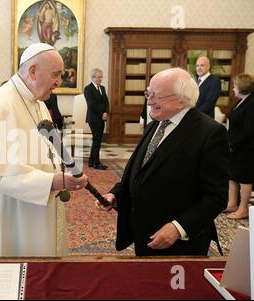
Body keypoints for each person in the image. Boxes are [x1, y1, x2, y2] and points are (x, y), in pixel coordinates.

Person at [0, 43, 87, 257]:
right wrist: (52, 182)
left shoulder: (38, 102)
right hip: (8, 212)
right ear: (32, 71)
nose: (60, 82)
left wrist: (59, 175)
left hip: (36, 206)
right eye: (55, 74)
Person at [97, 67, 229, 256]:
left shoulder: (210, 133)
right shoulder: (155, 124)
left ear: (182, 99)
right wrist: (116, 195)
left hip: (179, 245)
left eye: (156, 96)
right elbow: (143, 171)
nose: (149, 101)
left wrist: (178, 228)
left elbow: (216, 197)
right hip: (145, 234)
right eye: (148, 93)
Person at [225, 73, 254, 219]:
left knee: (244, 178)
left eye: (235, 86)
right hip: (235, 146)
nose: (233, 89)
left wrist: (233, 143)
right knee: (232, 175)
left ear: (242, 88)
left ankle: (243, 209)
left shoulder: (251, 103)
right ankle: (232, 204)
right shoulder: (240, 101)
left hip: (247, 148)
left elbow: (249, 130)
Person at [84, 68, 109, 170]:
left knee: (96, 139)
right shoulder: (88, 88)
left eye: (101, 77)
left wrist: (106, 112)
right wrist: (102, 113)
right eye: (98, 77)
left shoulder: (102, 88)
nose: (100, 79)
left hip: (102, 117)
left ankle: (91, 161)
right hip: (93, 118)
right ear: (93, 77)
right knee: (97, 139)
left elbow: (106, 102)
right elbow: (91, 104)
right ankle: (96, 162)